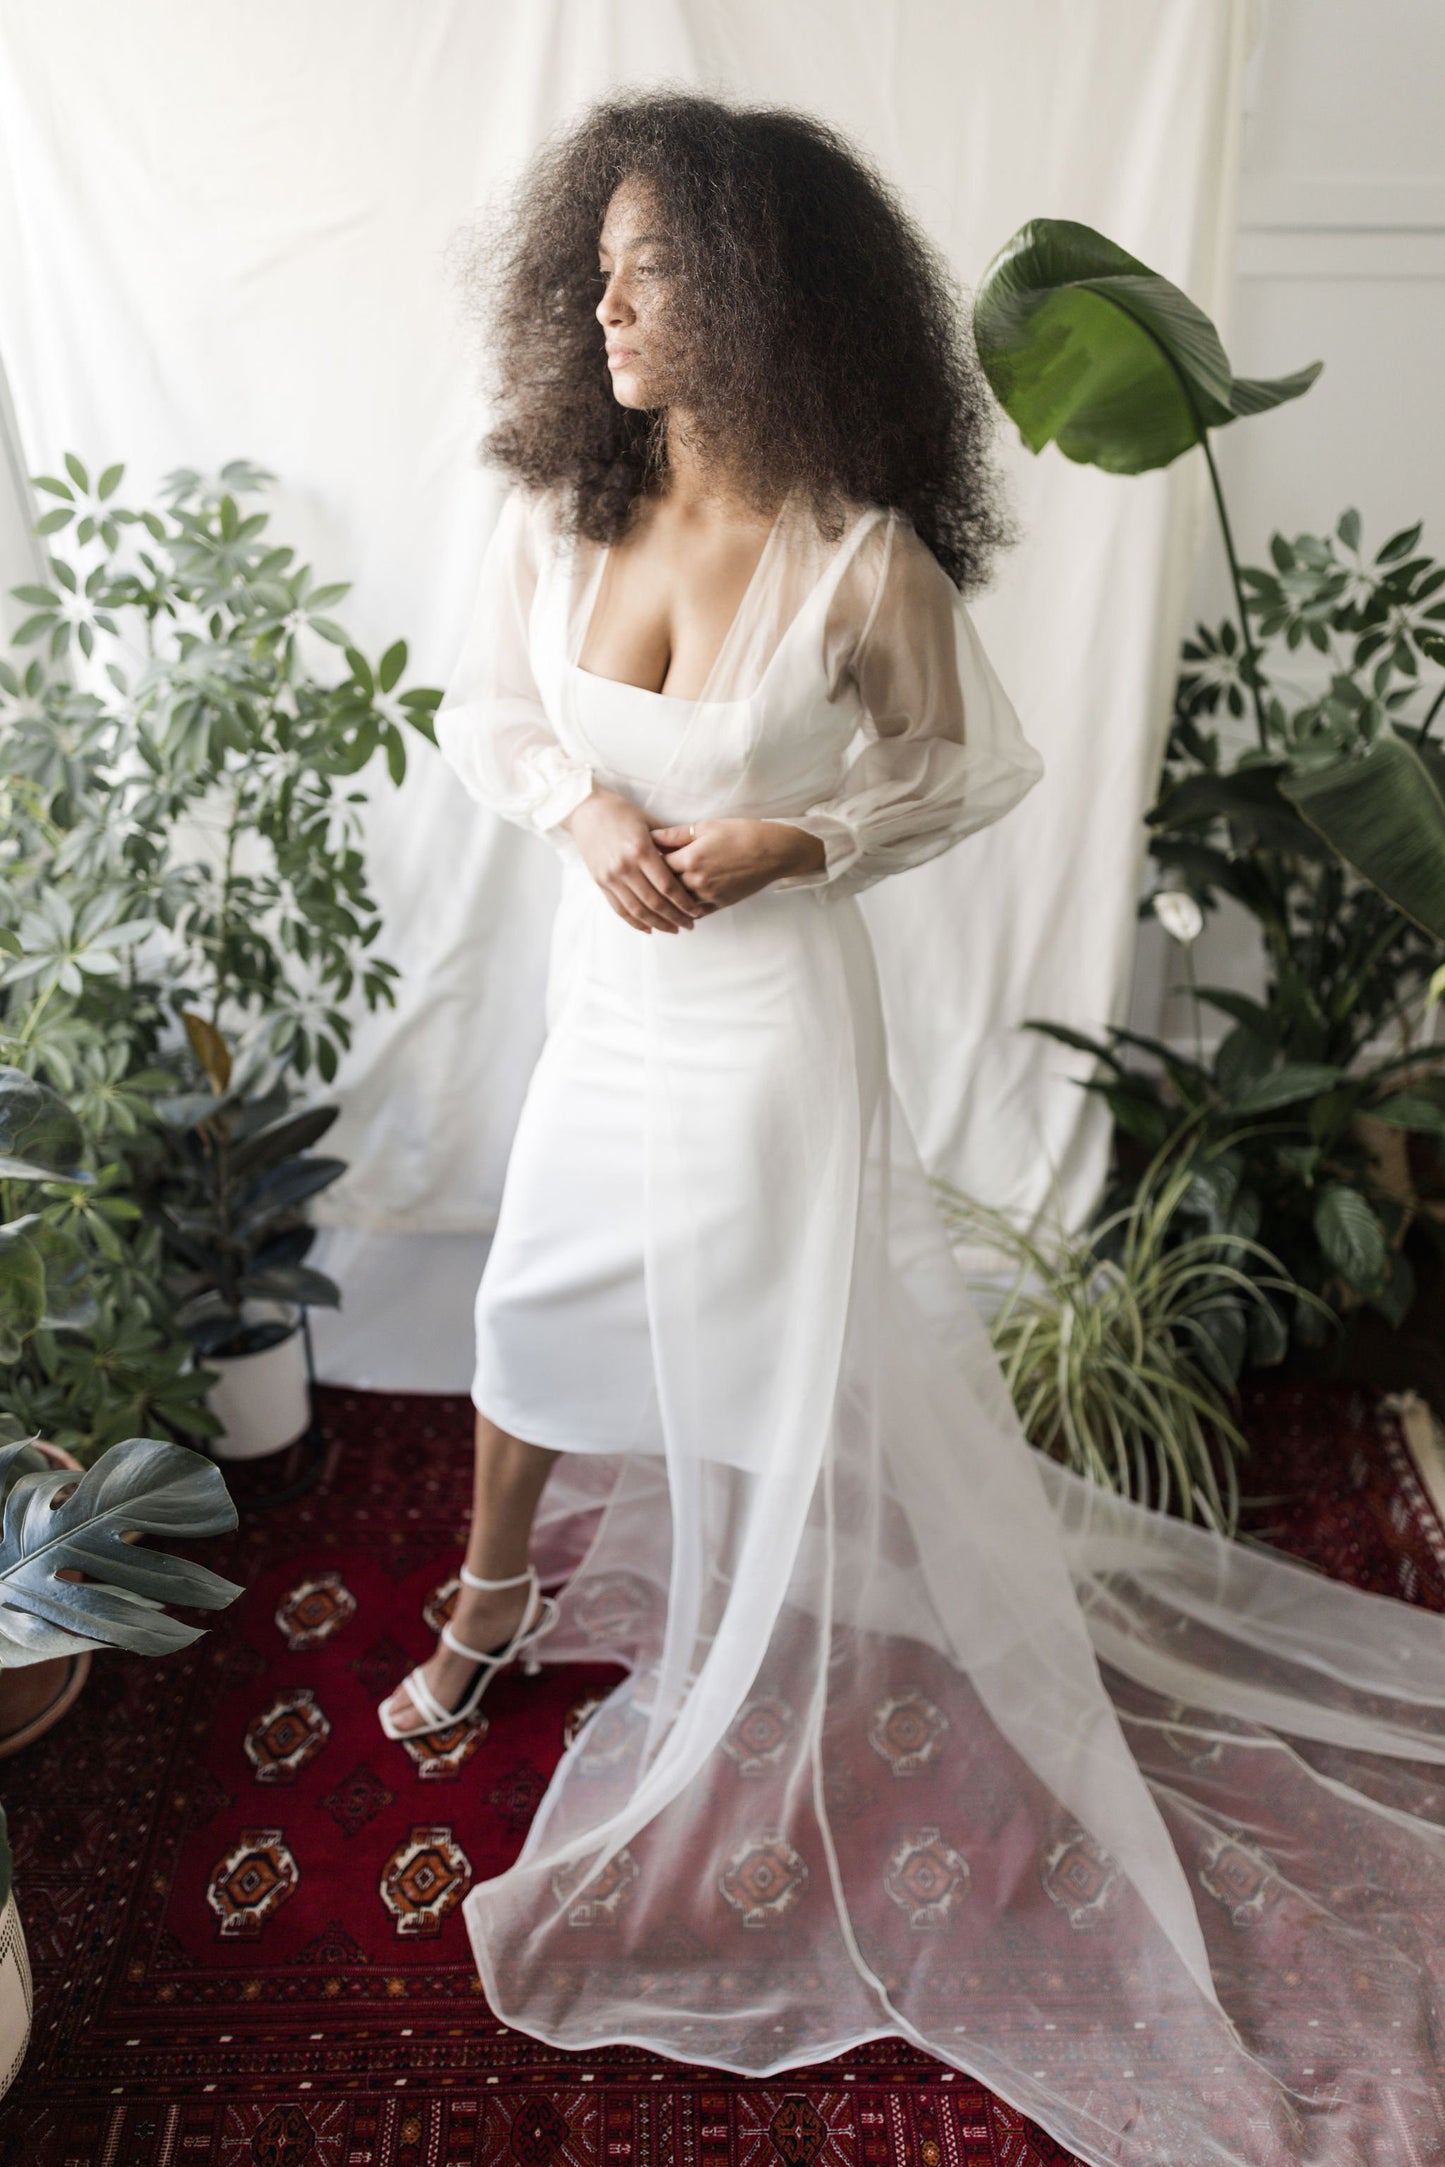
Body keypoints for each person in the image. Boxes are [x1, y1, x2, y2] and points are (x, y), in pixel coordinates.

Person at [387, 89, 1445, 2167]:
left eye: (650, 266)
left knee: (777, 1359)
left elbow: (972, 772)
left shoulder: (861, 562)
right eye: (589, 262)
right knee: (529, 1311)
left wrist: (803, 834)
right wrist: (584, 806)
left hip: (774, 1030)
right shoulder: (558, 510)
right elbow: (489, 709)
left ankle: (761, 1669)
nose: (601, 297)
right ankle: (490, 1597)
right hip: (617, 1011)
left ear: (759, 293)